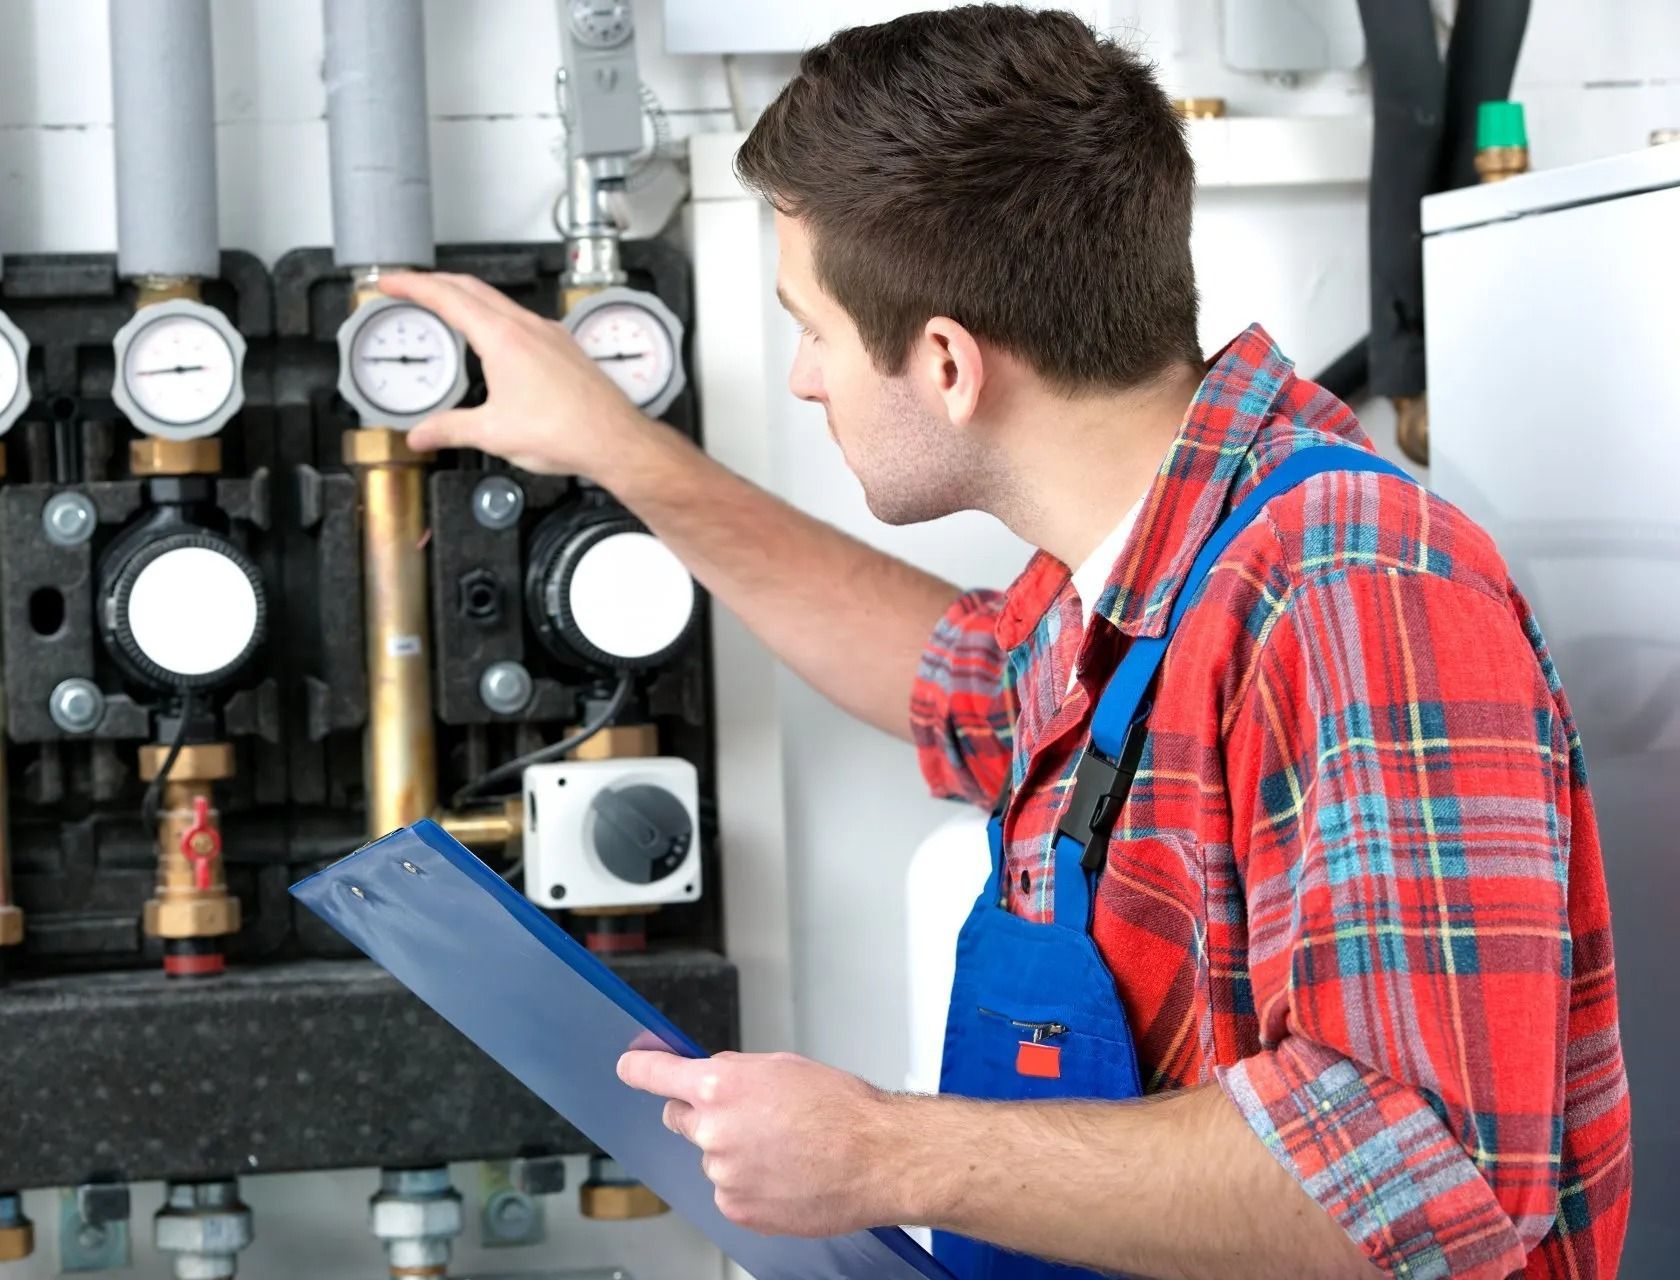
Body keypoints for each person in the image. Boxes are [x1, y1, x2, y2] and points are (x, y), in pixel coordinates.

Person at [383, 7, 1631, 1278]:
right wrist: (618, 448)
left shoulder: (1355, 589)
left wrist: (881, 1151)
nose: (807, 377)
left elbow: (1425, 1168)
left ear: (945, 364)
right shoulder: (1150, 566)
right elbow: (954, 685)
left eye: (810, 328)